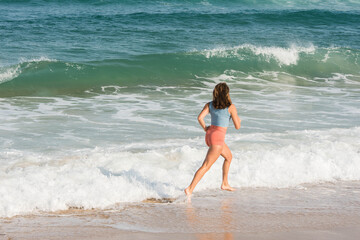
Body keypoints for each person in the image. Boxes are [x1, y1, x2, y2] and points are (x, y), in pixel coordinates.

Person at [185, 82, 241, 196]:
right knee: (206, 166)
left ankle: (225, 183)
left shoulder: (210, 104)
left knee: (229, 157)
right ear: (227, 93)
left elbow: (200, 118)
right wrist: (237, 117)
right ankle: (190, 189)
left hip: (210, 135)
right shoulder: (231, 107)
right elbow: (237, 126)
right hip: (218, 138)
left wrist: (206, 128)